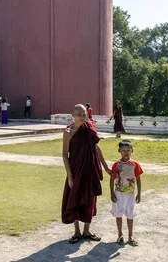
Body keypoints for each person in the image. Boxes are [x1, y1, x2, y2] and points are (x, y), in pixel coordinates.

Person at [62, 103, 111, 243]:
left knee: (90, 199)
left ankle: (86, 231)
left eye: (84, 114)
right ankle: (77, 232)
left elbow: (96, 148)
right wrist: (70, 177)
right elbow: (65, 155)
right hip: (76, 170)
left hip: (90, 170)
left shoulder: (89, 128)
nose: (83, 117)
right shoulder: (68, 132)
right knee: (75, 198)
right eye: (79, 114)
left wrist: (106, 167)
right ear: (73, 115)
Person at [110, 140, 143, 246]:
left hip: (131, 194)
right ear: (119, 150)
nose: (126, 153)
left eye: (128, 150)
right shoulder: (116, 164)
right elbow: (112, 179)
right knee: (118, 214)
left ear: (132, 151)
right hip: (119, 193)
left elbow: (138, 179)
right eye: (123, 150)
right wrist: (112, 193)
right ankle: (120, 235)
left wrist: (139, 193)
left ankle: (130, 236)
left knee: (130, 214)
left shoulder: (135, 164)